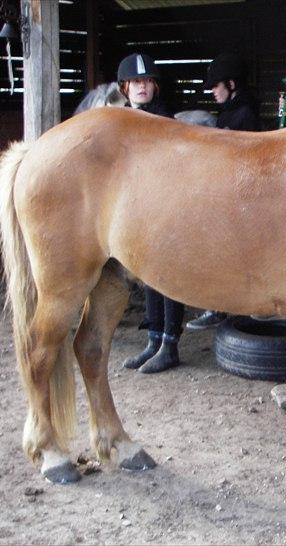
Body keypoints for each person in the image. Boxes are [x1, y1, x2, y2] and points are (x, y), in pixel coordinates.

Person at [116, 53, 185, 373]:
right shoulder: (119, 120)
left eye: (146, 81)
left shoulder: (164, 120)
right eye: (136, 82)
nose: (141, 86)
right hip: (137, 210)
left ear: (154, 86)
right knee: (149, 277)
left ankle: (170, 343)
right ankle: (153, 340)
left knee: (170, 275)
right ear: (125, 88)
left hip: (165, 208)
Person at [186, 53, 261, 330]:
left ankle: (222, 305)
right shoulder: (231, 113)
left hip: (239, 194)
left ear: (231, 83)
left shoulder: (245, 115)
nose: (213, 91)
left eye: (216, 85)